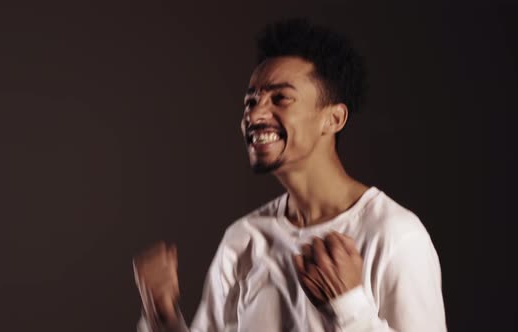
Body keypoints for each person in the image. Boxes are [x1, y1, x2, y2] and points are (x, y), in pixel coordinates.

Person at [133, 18, 447, 332]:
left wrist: (350, 309)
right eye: (251, 101)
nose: (254, 114)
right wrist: (162, 317)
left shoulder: (395, 235)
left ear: (333, 119)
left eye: (280, 98)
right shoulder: (243, 239)